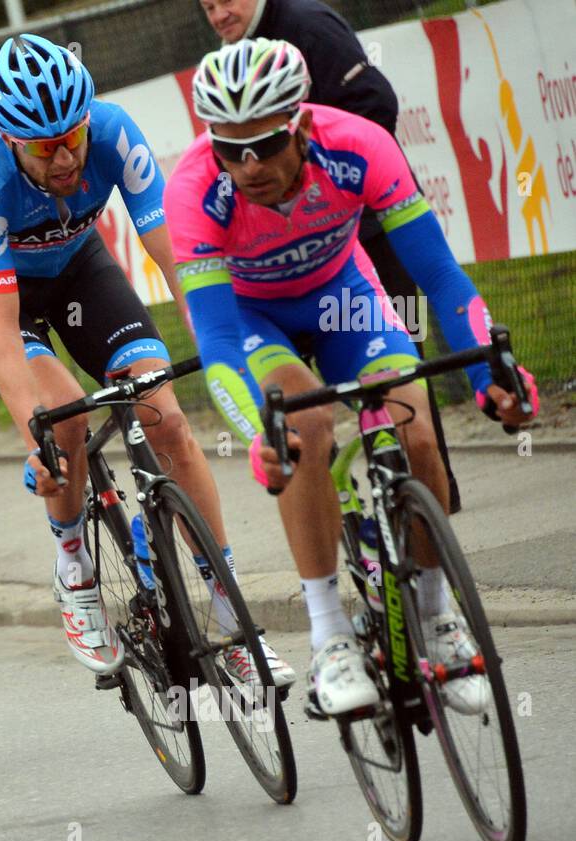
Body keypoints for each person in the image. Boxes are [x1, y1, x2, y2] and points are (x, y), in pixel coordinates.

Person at [163, 39, 539, 716]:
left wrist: (491, 370)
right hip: (255, 318)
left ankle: (437, 612)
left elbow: (439, 275)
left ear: (302, 125)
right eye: (230, 148)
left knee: (417, 431)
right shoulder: (194, 188)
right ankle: (329, 634)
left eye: (267, 143)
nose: (248, 167)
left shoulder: (358, 144)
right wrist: (260, 434)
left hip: (342, 294)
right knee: (302, 424)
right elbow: (217, 339)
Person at [0, 33, 293, 688]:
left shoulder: (111, 132)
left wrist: (223, 349)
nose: (67, 155)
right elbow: (0, 327)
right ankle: (74, 565)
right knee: (64, 423)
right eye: (45, 148)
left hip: (78, 270)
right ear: (12, 138)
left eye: (72, 136)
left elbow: (176, 258)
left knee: (166, 418)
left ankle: (231, 615)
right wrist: (35, 440)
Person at [198, 0, 463, 512]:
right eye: (207, 7)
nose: (218, 14)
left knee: (400, 352)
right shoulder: (237, 53)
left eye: (226, 1)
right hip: (293, 249)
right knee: (296, 384)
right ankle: (336, 489)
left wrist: (325, 171)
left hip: (370, 228)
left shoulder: (305, 26)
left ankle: (435, 496)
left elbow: (375, 102)